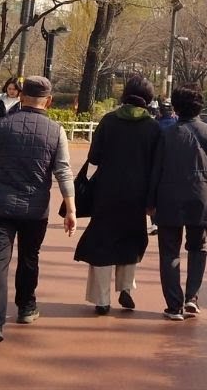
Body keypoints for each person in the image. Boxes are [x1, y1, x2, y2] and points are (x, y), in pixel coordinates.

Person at [0, 76, 76, 349]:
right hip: (36, 207)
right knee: (30, 256)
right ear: (50, 100)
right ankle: (26, 307)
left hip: (1, 204)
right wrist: (71, 208)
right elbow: (63, 170)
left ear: (21, 97)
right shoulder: (56, 130)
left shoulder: (3, 126)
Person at [73, 76, 160, 315]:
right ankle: (126, 287)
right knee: (131, 239)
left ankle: (101, 299)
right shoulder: (152, 127)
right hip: (137, 194)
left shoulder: (109, 121)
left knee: (102, 241)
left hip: (107, 191)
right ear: (148, 98)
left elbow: (95, 157)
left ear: (125, 95)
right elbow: (156, 165)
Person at [146, 85, 207, 321]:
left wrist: (150, 201)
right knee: (198, 248)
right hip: (201, 197)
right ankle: (192, 298)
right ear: (199, 107)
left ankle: (174, 305)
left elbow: (155, 170)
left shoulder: (165, 134)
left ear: (175, 107)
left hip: (168, 197)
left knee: (169, 251)